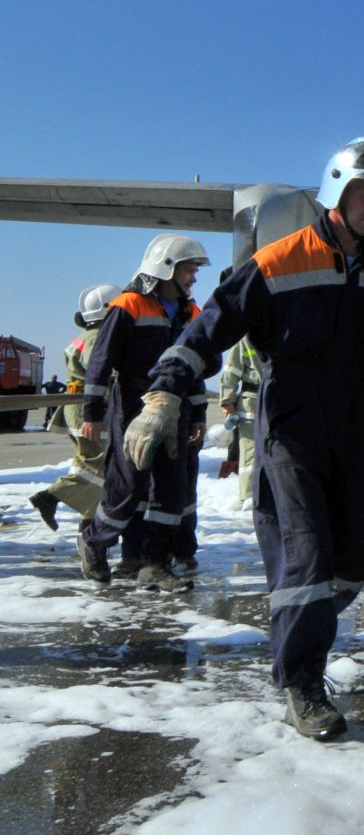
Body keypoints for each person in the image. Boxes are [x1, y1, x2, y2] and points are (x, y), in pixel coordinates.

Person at [126, 137, 364, 740]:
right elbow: (208, 331)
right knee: (306, 554)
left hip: (355, 422)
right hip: (291, 424)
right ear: (337, 192)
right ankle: (303, 683)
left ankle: (299, 623)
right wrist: (163, 394)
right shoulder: (278, 261)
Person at [76, 237, 210, 593]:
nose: (193, 277)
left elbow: (193, 367)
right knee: (129, 483)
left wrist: (198, 414)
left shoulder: (189, 312)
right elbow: (101, 363)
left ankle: (155, 564)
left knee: (172, 487)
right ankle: (95, 541)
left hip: (176, 406)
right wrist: (93, 412)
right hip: (133, 401)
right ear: (165, 266)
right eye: (188, 269)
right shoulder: (129, 305)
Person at [29, 284, 121, 531]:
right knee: (101, 465)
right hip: (91, 411)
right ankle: (51, 497)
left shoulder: (83, 337)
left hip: (77, 408)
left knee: (87, 464)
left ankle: (89, 521)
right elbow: (98, 371)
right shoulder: (97, 338)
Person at [219, 333, 264, 507]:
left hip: (254, 404)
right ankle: (251, 497)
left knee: (250, 453)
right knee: (255, 452)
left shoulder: (246, 337)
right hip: (259, 403)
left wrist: (227, 400)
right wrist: (227, 400)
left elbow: (231, 371)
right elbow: (231, 371)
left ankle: (250, 496)